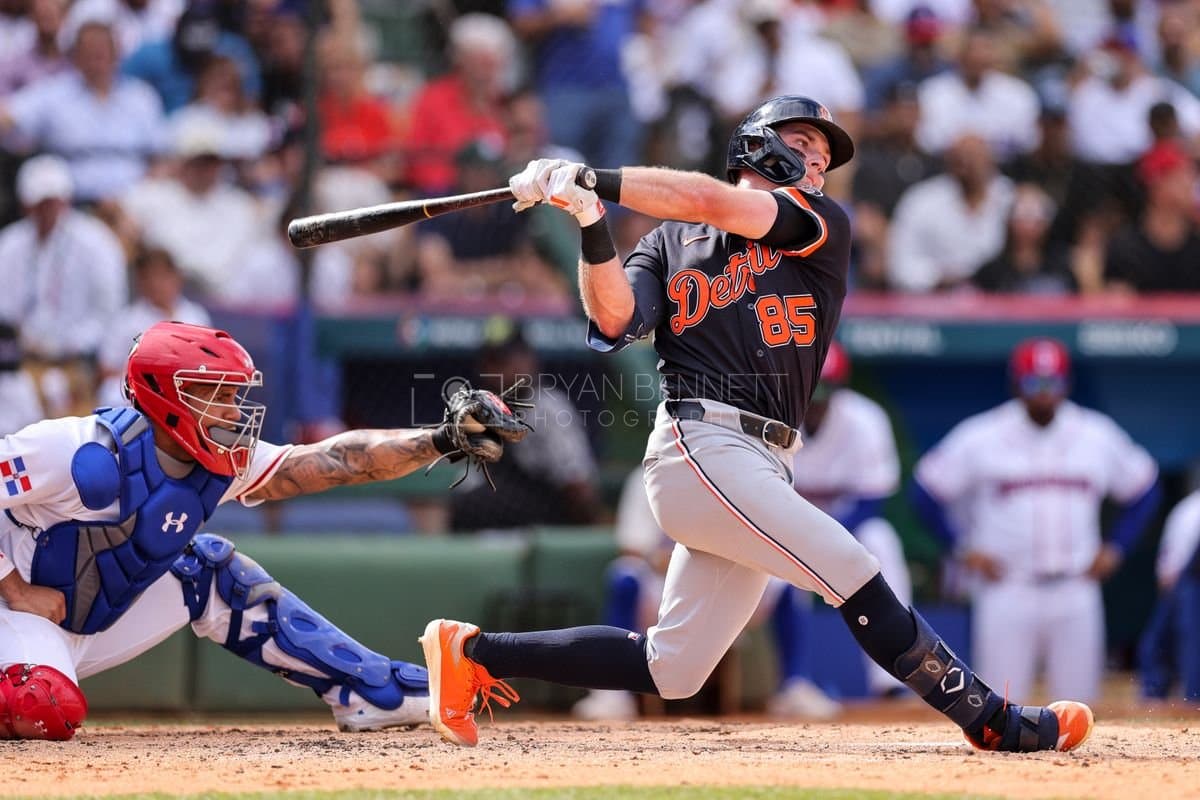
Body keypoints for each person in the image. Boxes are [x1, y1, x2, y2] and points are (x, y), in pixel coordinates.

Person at [417, 95, 1095, 753]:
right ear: (757, 145)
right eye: (802, 144)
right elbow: (613, 318)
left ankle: (471, 652)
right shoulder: (669, 242)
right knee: (853, 568)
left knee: (673, 670)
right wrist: (589, 216)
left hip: (764, 458)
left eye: (824, 154)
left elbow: (713, 200)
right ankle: (989, 719)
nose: (817, 162)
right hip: (700, 445)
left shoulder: (817, 219)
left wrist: (598, 177)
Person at [0, 320, 529, 740]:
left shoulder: (216, 461)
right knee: (43, 706)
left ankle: (370, 692)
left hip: (89, 621)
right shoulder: (73, 449)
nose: (234, 410)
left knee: (208, 568)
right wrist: (14, 586)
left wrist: (439, 439)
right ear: (167, 396)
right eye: (219, 395)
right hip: (18, 617)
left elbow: (336, 461)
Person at [912, 337, 1160, 703]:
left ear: (1066, 384)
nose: (1044, 394)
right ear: (1017, 384)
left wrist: (1117, 547)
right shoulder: (982, 435)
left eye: (1052, 384)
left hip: (1076, 588)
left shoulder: (1095, 434)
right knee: (997, 707)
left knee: (1078, 710)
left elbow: (1145, 487)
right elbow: (925, 490)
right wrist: (962, 548)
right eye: (1034, 384)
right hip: (1008, 588)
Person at [571, 465, 842, 720]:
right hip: (665, 587)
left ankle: (796, 686)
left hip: (733, 582)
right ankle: (612, 694)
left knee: (788, 585)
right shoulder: (650, 472)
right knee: (625, 575)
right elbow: (633, 549)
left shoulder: (736, 469)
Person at [791, 341, 912, 697]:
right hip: (784, 528)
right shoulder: (773, 412)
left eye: (825, 390)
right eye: (811, 388)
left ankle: (892, 680)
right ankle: (790, 683)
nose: (816, 400)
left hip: (847, 524)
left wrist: (826, 541)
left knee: (882, 541)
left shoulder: (865, 419)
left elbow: (872, 498)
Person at [1138, 488, 1200, 702]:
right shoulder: (1190, 507)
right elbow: (1171, 556)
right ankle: (1154, 701)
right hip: (1183, 584)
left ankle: (1193, 703)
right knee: (1155, 647)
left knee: (1193, 651)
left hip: (1190, 584)